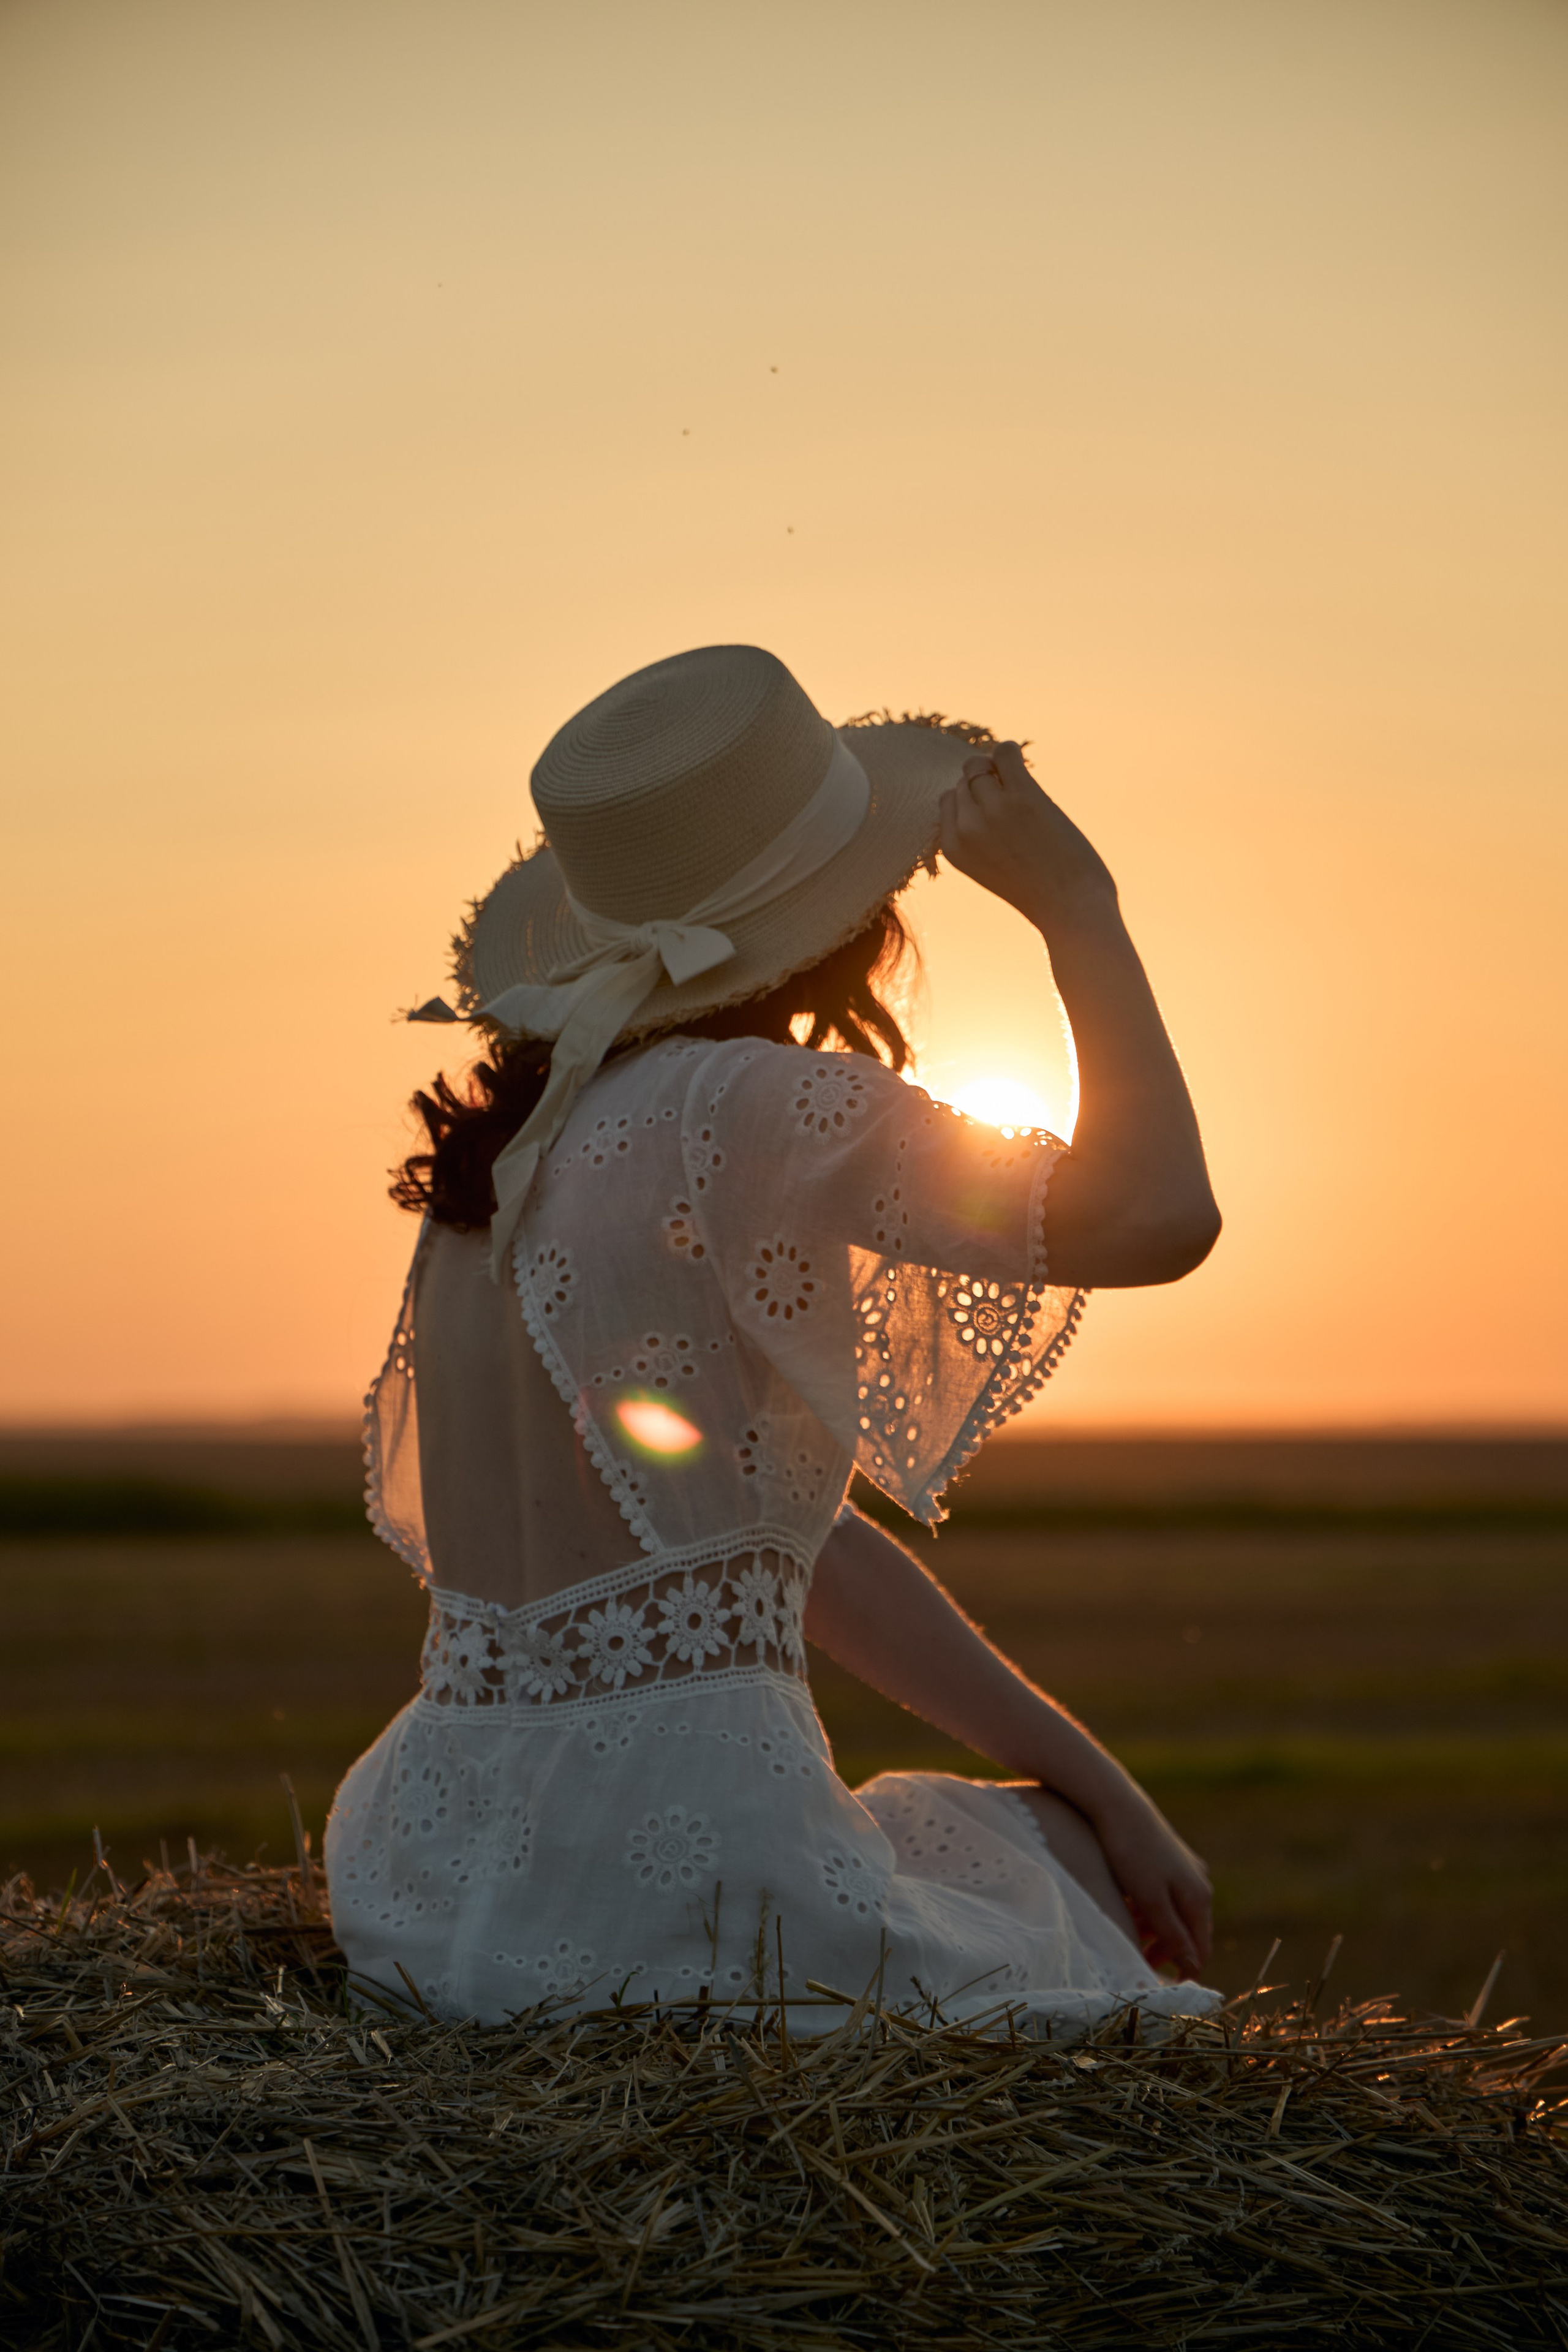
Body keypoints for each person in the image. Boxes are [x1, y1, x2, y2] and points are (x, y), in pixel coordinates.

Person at [324, 644, 1222, 2032]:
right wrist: (1078, 911)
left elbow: (766, 1557)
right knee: (1046, 1895)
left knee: (1033, 1834)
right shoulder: (739, 1106)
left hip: (432, 1868)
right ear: (845, 916)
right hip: (686, 1872)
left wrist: (1100, 1779)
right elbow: (1158, 1214)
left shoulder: (489, 1177)